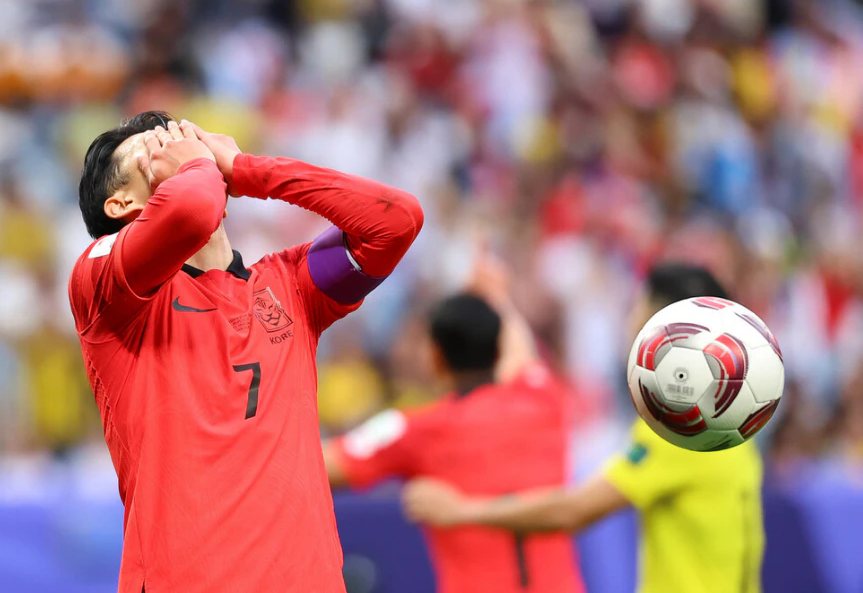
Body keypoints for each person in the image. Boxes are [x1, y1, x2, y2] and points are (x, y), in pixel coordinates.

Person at [68, 111, 423, 592]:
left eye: (184, 137)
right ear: (120, 204)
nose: (179, 145)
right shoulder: (103, 285)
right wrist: (198, 168)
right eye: (152, 150)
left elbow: (397, 221)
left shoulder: (292, 285)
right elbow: (192, 209)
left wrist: (245, 168)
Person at [404, 263, 765, 593]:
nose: (629, 320)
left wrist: (461, 511)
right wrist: (499, 301)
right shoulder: (726, 420)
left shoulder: (683, 432)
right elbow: (525, 369)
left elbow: (573, 511)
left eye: (637, 306)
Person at [322, 250, 586, 593]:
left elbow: (318, 466)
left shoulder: (414, 429)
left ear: (436, 357)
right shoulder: (543, 396)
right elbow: (519, 351)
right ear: (497, 349)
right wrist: (495, 294)